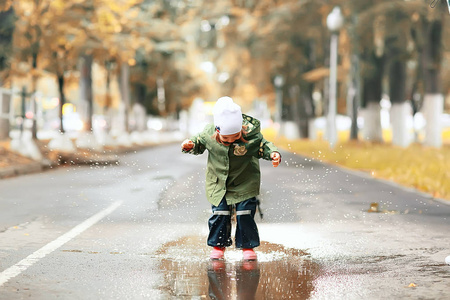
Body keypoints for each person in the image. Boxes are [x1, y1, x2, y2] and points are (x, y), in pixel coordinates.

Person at [181, 96, 281, 260]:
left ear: (241, 129)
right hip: (219, 183)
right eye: (225, 138)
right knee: (220, 213)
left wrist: (273, 153)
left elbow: (264, 146)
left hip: (245, 181)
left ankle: (247, 247)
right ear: (217, 131)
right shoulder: (208, 133)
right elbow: (198, 141)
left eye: (234, 136)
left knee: (245, 213)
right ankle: (218, 246)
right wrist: (190, 144)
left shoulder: (251, 136)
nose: (230, 140)